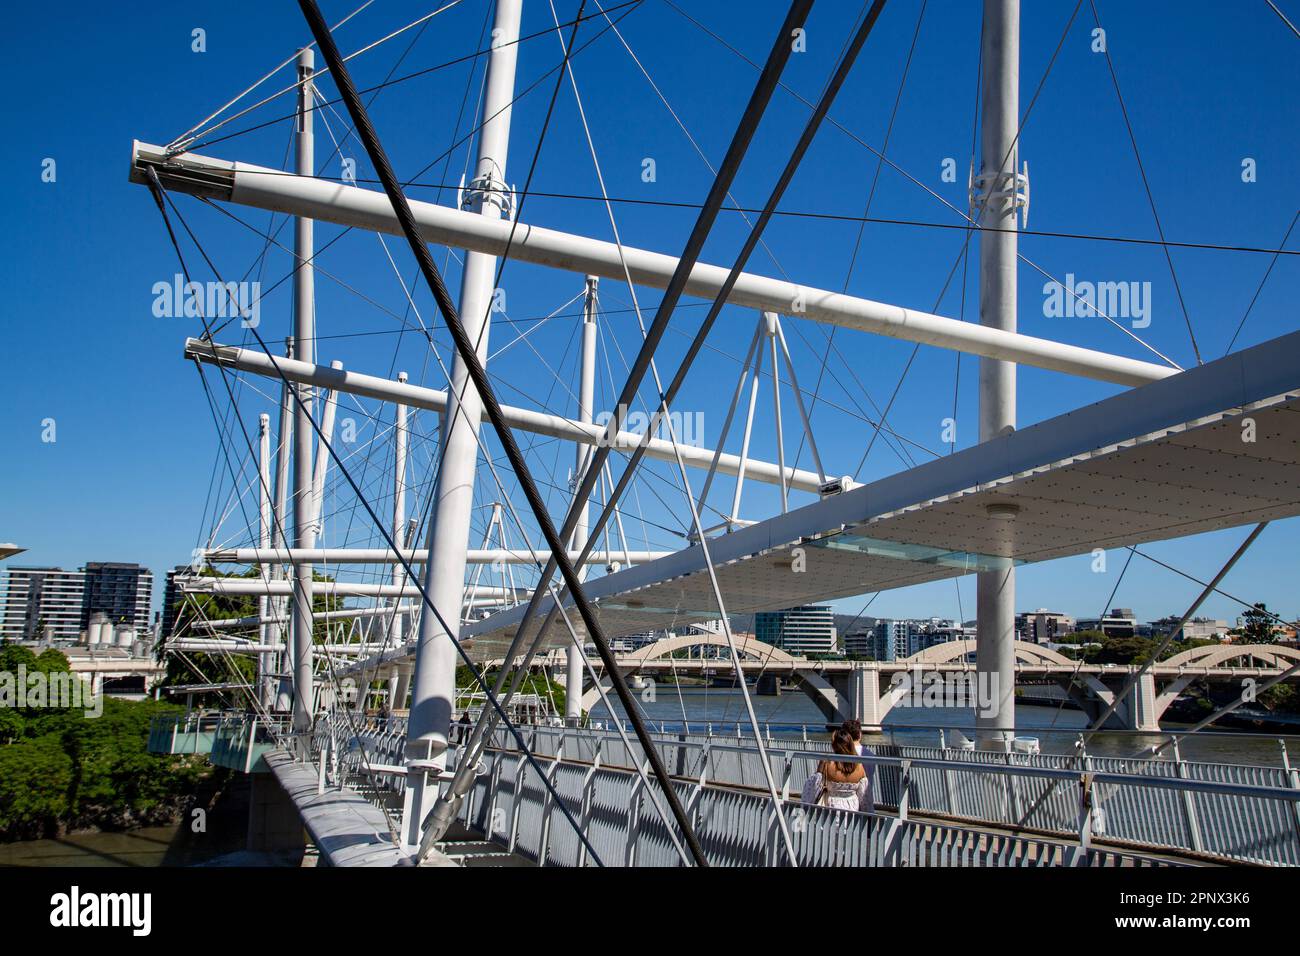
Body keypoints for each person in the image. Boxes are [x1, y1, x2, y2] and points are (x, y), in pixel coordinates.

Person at [801, 729, 870, 812]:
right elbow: (865, 798)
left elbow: (813, 787)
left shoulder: (827, 763)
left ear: (834, 745)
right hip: (852, 812)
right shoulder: (858, 766)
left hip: (830, 812)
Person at [841, 719, 876, 815]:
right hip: (866, 803)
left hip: (846, 806)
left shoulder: (840, 756)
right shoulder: (870, 756)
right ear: (860, 735)